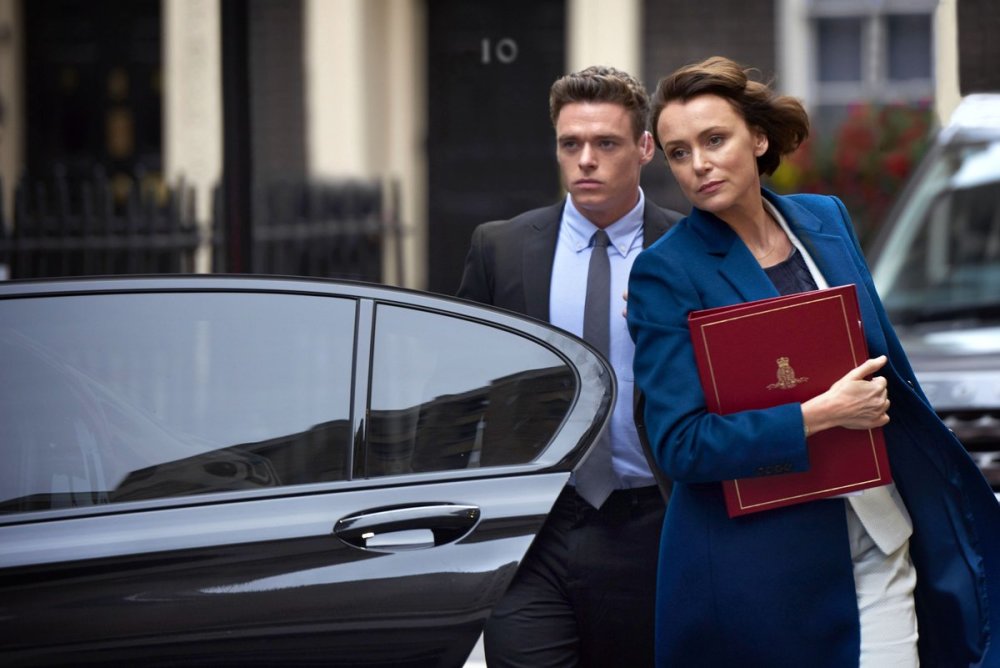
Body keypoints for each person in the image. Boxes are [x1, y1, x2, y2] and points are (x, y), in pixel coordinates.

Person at [626, 55, 1000, 667]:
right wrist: (817, 415)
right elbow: (679, 445)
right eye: (678, 152)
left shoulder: (826, 219)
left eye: (715, 140)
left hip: (881, 526)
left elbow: (888, 364)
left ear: (758, 137)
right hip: (763, 571)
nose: (699, 164)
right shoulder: (665, 272)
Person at [457, 65, 684, 667]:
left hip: (655, 523)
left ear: (644, 148)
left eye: (606, 143)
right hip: (533, 530)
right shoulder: (501, 248)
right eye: (570, 144)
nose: (586, 160)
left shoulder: (689, 249)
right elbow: (460, 390)